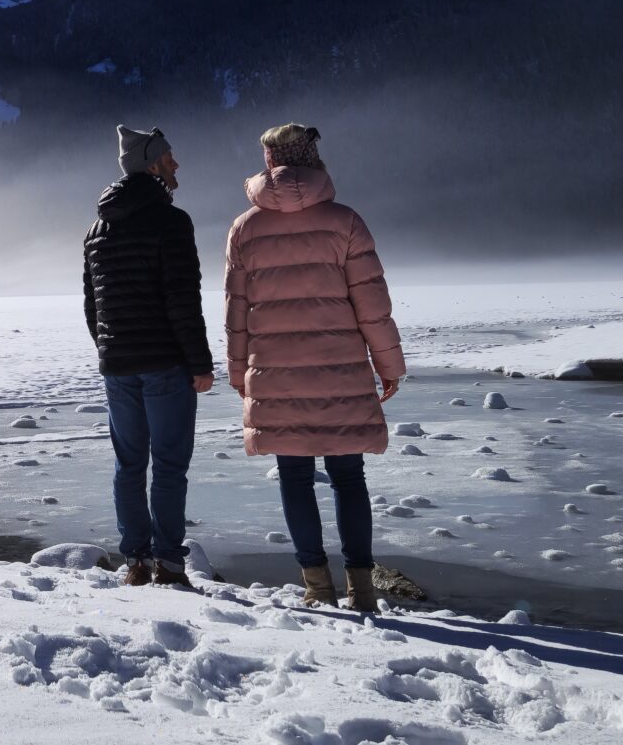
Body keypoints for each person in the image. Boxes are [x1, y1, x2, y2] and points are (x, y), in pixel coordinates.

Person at [223, 124, 403, 612]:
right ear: (313, 159)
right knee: (349, 478)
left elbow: (236, 311)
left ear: (269, 162)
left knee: (294, 478)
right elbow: (372, 305)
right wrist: (389, 365)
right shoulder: (346, 222)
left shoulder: (244, 229)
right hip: (341, 372)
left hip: (275, 373)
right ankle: (361, 590)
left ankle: (317, 587)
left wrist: (240, 375)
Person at [83, 125, 215, 588]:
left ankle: (136, 561)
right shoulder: (172, 222)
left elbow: (92, 306)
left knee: (129, 465)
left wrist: (110, 350)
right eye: (169, 157)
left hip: (118, 367)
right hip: (165, 364)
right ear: (152, 164)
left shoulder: (97, 228)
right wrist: (199, 363)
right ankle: (169, 564)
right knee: (170, 465)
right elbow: (183, 299)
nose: (176, 164)